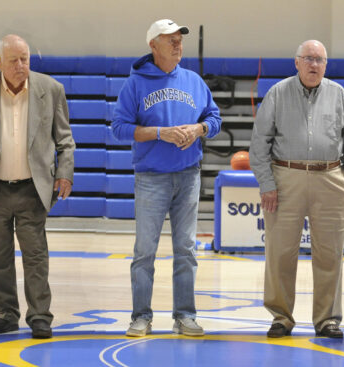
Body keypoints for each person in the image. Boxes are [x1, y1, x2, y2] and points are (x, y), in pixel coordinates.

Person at [0, 34, 76, 339]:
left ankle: (39, 316)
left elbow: (65, 139)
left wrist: (65, 173)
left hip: (32, 189)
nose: (21, 66)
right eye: (14, 60)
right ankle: (6, 313)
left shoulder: (51, 89)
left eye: (25, 59)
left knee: (36, 256)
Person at [110, 18, 221, 338]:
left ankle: (185, 315)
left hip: (189, 175)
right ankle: (141, 316)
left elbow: (214, 118)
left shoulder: (194, 81)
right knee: (145, 251)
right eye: (169, 39)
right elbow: (119, 129)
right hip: (152, 178)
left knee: (186, 249)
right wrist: (161, 133)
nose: (177, 44)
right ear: (152, 45)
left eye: (179, 39)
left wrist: (197, 129)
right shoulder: (135, 83)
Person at [249, 40, 344, 339]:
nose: (314, 65)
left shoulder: (339, 94)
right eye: (309, 59)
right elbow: (259, 143)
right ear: (297, 62)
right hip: (286, 178)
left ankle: (327, 320)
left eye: (320, 60)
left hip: (331, 179)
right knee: (280, 252)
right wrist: (267, 183)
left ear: (326, 65)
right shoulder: (277, 93)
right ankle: (281, 317)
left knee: (330, 254)